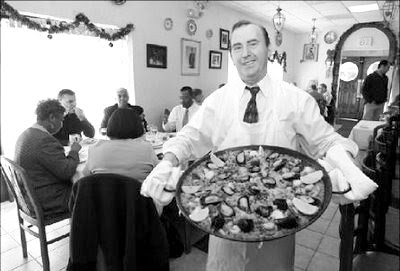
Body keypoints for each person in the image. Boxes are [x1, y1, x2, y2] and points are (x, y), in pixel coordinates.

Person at [141, 20, 362, 271]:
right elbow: (187, 137)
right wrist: (166, 163)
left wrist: (347, 166)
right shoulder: (217, 100)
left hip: (279, 213)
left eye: (253, 43)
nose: (245, 53)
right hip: (223, 212)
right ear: (232, 56)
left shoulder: (296, 99)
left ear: (268, 49)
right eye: (237, 47)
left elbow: (328, 140)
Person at [14, 99, 81, 215]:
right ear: (52, 118)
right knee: (88, 190)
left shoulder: (26, 134)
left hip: (27, 197)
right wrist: (74, 151)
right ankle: (85, 231)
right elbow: (67, 171)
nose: (61, 124)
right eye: (61, 120)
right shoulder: (44, 140)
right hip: (45, 200)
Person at [83, 108, 158, 182]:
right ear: (138, 126)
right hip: (137, 193)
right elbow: (160, 174)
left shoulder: (94, 149)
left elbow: (85, 177)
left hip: (104, 193)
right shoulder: (146, 149)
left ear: (110, 126)